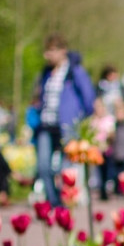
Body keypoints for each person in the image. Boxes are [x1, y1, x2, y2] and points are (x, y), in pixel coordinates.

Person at [31, 33, 94, 207]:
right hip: (45, 124)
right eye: (46, 51)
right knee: (43, 167)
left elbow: (88, 97)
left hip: (67, 125)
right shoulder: (46, 73)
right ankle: (54, 202)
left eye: (51, 51)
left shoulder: (74, 71)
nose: (47, 55)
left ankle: (68, 201)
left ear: (62, 51)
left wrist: (82, 119)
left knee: (65, 168)